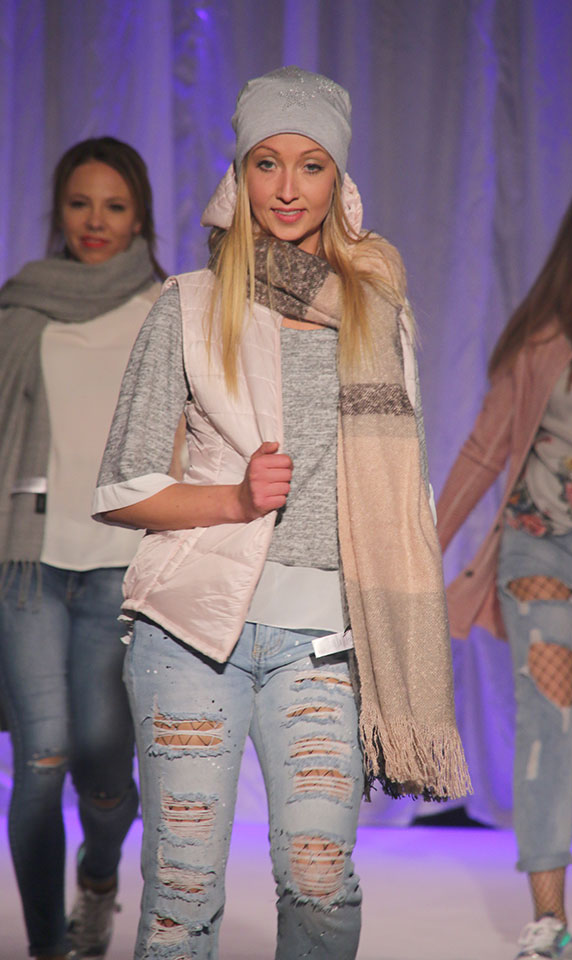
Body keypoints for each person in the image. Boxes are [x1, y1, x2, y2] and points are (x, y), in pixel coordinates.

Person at [92, 66, 470, 959]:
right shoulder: (187, 303)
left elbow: (404, 491)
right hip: (189, 633)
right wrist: (232, 497)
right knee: (182, 895)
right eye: (267, 163)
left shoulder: (378, 312)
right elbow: (122, 486)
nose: (288, 188)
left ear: (339, 179)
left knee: (320, 882)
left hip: (323, 644)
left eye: (311, 165)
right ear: (241, 173)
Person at [437, 172, 572, 959]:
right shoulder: (542, 336)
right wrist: (425, 546)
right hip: (540, 541)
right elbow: (485, 449)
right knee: (546, 722)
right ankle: (549, 917)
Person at [0, 136, 166, 960]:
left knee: (103, 772)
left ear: (139, 217)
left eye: (114, 206)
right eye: (79, 203)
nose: (95, 222)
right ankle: (46, 948)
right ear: (59, 210)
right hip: (28, 564)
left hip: (121, 570)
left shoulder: (167, 310)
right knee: (40, 761)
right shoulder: (23, 305)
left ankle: (98, 880)